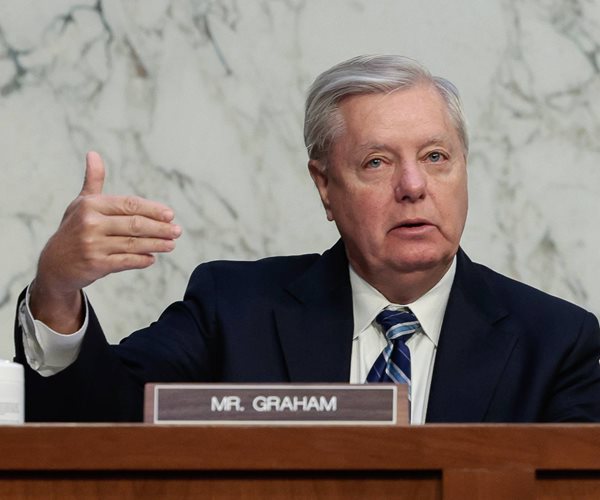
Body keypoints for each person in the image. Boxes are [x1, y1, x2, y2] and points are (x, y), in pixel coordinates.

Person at [14, 55, 600, 423]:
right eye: (376, 162)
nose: (414, 186)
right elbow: (97, 421)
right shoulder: (233, 309)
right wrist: (57, 289)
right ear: (324, 186)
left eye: (436, 156)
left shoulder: (560, 343)